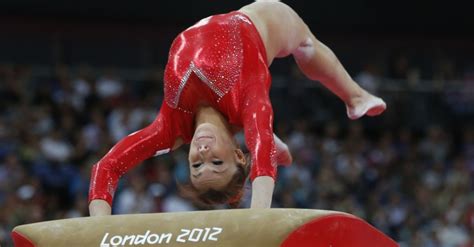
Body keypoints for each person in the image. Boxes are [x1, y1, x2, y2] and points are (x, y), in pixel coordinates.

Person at [88, 0, 386, 216]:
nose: (203, 156)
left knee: (258, 129)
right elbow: (264, 154)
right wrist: (257, 218)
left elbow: (107, 168)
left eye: (196, 165)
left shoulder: (170, 128)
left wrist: (100, 232)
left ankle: (255, 129)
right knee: (306, 45)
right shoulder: (248, 99)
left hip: (233, 92)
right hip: (258, 22)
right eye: (217, 163)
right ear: (240, 156)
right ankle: (355, 96)